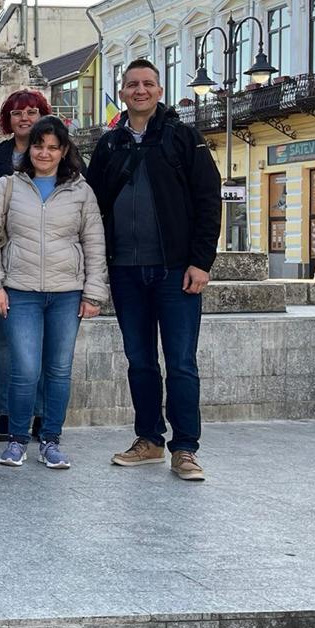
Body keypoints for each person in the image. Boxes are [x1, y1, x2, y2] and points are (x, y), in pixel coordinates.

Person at [86, 59, 221, 483]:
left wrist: (201, 262)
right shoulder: (109, 145)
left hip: (175, 271)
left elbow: (208, 201)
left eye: (147, 84)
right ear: (122, 93)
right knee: (139, 360)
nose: (139, 90)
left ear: (160, 91)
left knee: (181, 362)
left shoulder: (185, 138)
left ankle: (185, 449)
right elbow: (91, 206)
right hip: (126, 270)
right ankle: (148, 440)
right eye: (131, 85)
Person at [0, 117, 108, 469]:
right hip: (20, 291)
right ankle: (17, 440)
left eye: (52, 147)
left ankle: (51, 440)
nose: (44, 153)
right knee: (26, 369)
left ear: (64, 151)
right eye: (38, 145)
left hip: (66, 293)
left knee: (59, 370)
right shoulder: (8, 186)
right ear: (28, 149)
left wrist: (93, 294)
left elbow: (94, 243)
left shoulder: (81, 190)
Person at [0, 89, 52, 441]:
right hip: (6, 264)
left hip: (50, 262)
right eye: (18, 112)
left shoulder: (59, 155)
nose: (25, 118)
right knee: (7, 343)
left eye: (32, 111)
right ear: (8, 118)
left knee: (44, 345)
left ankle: (39, 415)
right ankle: (7, 414)